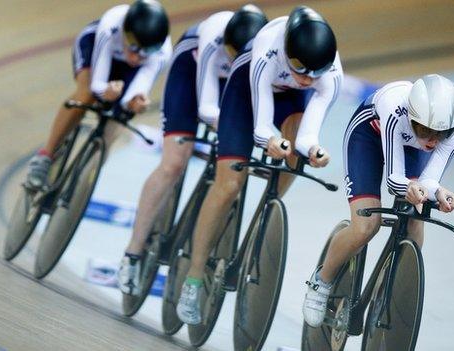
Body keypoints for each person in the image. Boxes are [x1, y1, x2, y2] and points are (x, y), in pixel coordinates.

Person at [176, 5, 343, 325]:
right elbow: (261, 125)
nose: (306, 78)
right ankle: (194, 278)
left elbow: (308, 135)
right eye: (298, 67)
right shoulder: (268, 46)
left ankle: (266, 210)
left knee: (294, 155)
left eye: (313, 73)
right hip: (245, 92)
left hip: (290, 100)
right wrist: (270, 141)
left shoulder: (330, 72)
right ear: (287, 52)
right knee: (228, 185)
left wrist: (314, 150)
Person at [118, 4, 269, 295]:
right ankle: (133, 252)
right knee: (174, 163)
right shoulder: (212, 38)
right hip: (191, 77)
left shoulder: (260, 54)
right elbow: (207, 106)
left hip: (234, 88)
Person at [302, 74, 454, 327]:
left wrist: (439, 193)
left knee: (416, 221)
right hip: (367, 138)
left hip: (410, 150)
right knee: (366, 226)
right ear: (412, 117)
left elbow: (428, 182)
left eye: (441, 134)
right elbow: (394, 180)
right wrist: (413, 187)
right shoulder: (395, 107)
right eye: (425, 130)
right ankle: (321, 281)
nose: (433, 141)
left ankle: (386, 291)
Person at [25, 0, 171, 190]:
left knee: (120, 120)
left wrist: (134, 103)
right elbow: (98, 85)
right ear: (125, 33)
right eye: (134, 47)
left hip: (127, 72)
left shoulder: (161, 54)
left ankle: (82, 185)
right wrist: (105, 92)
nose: (136, 58)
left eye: (146, 53)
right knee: (86, 95)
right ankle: (45, 156)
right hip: (96, 47)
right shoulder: (111, 25)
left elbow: (137, 89)